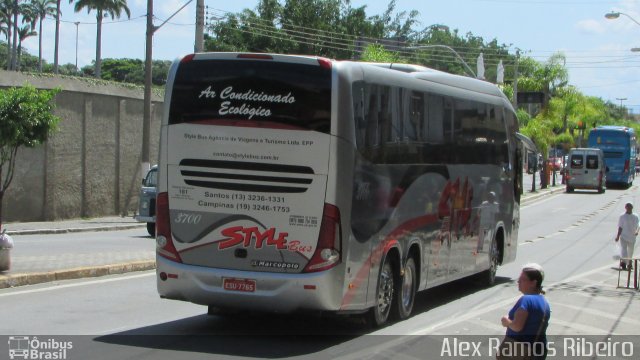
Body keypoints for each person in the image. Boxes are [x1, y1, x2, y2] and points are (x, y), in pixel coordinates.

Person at [498, 263, 551, 360]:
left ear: (533, 283)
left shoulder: (526, 300)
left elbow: (517, 327)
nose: (518, 281)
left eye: (522, 279)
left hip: (520, 350)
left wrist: (507, 322)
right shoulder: (545, 302)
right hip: (538, 350)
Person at [615, 203, 639, 270]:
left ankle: (629, 263)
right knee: (624, 249)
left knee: (630, 251)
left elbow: (638, 225)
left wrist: (637, 231)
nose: (629, 208)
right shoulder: (622, 216)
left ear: (632, 208)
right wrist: (617, 236)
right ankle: (624, 263)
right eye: (627, 207)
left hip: (632, 237)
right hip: (624, 236)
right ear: (625, 208)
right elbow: (620, 227)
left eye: (630, 207)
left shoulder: (635, 216)